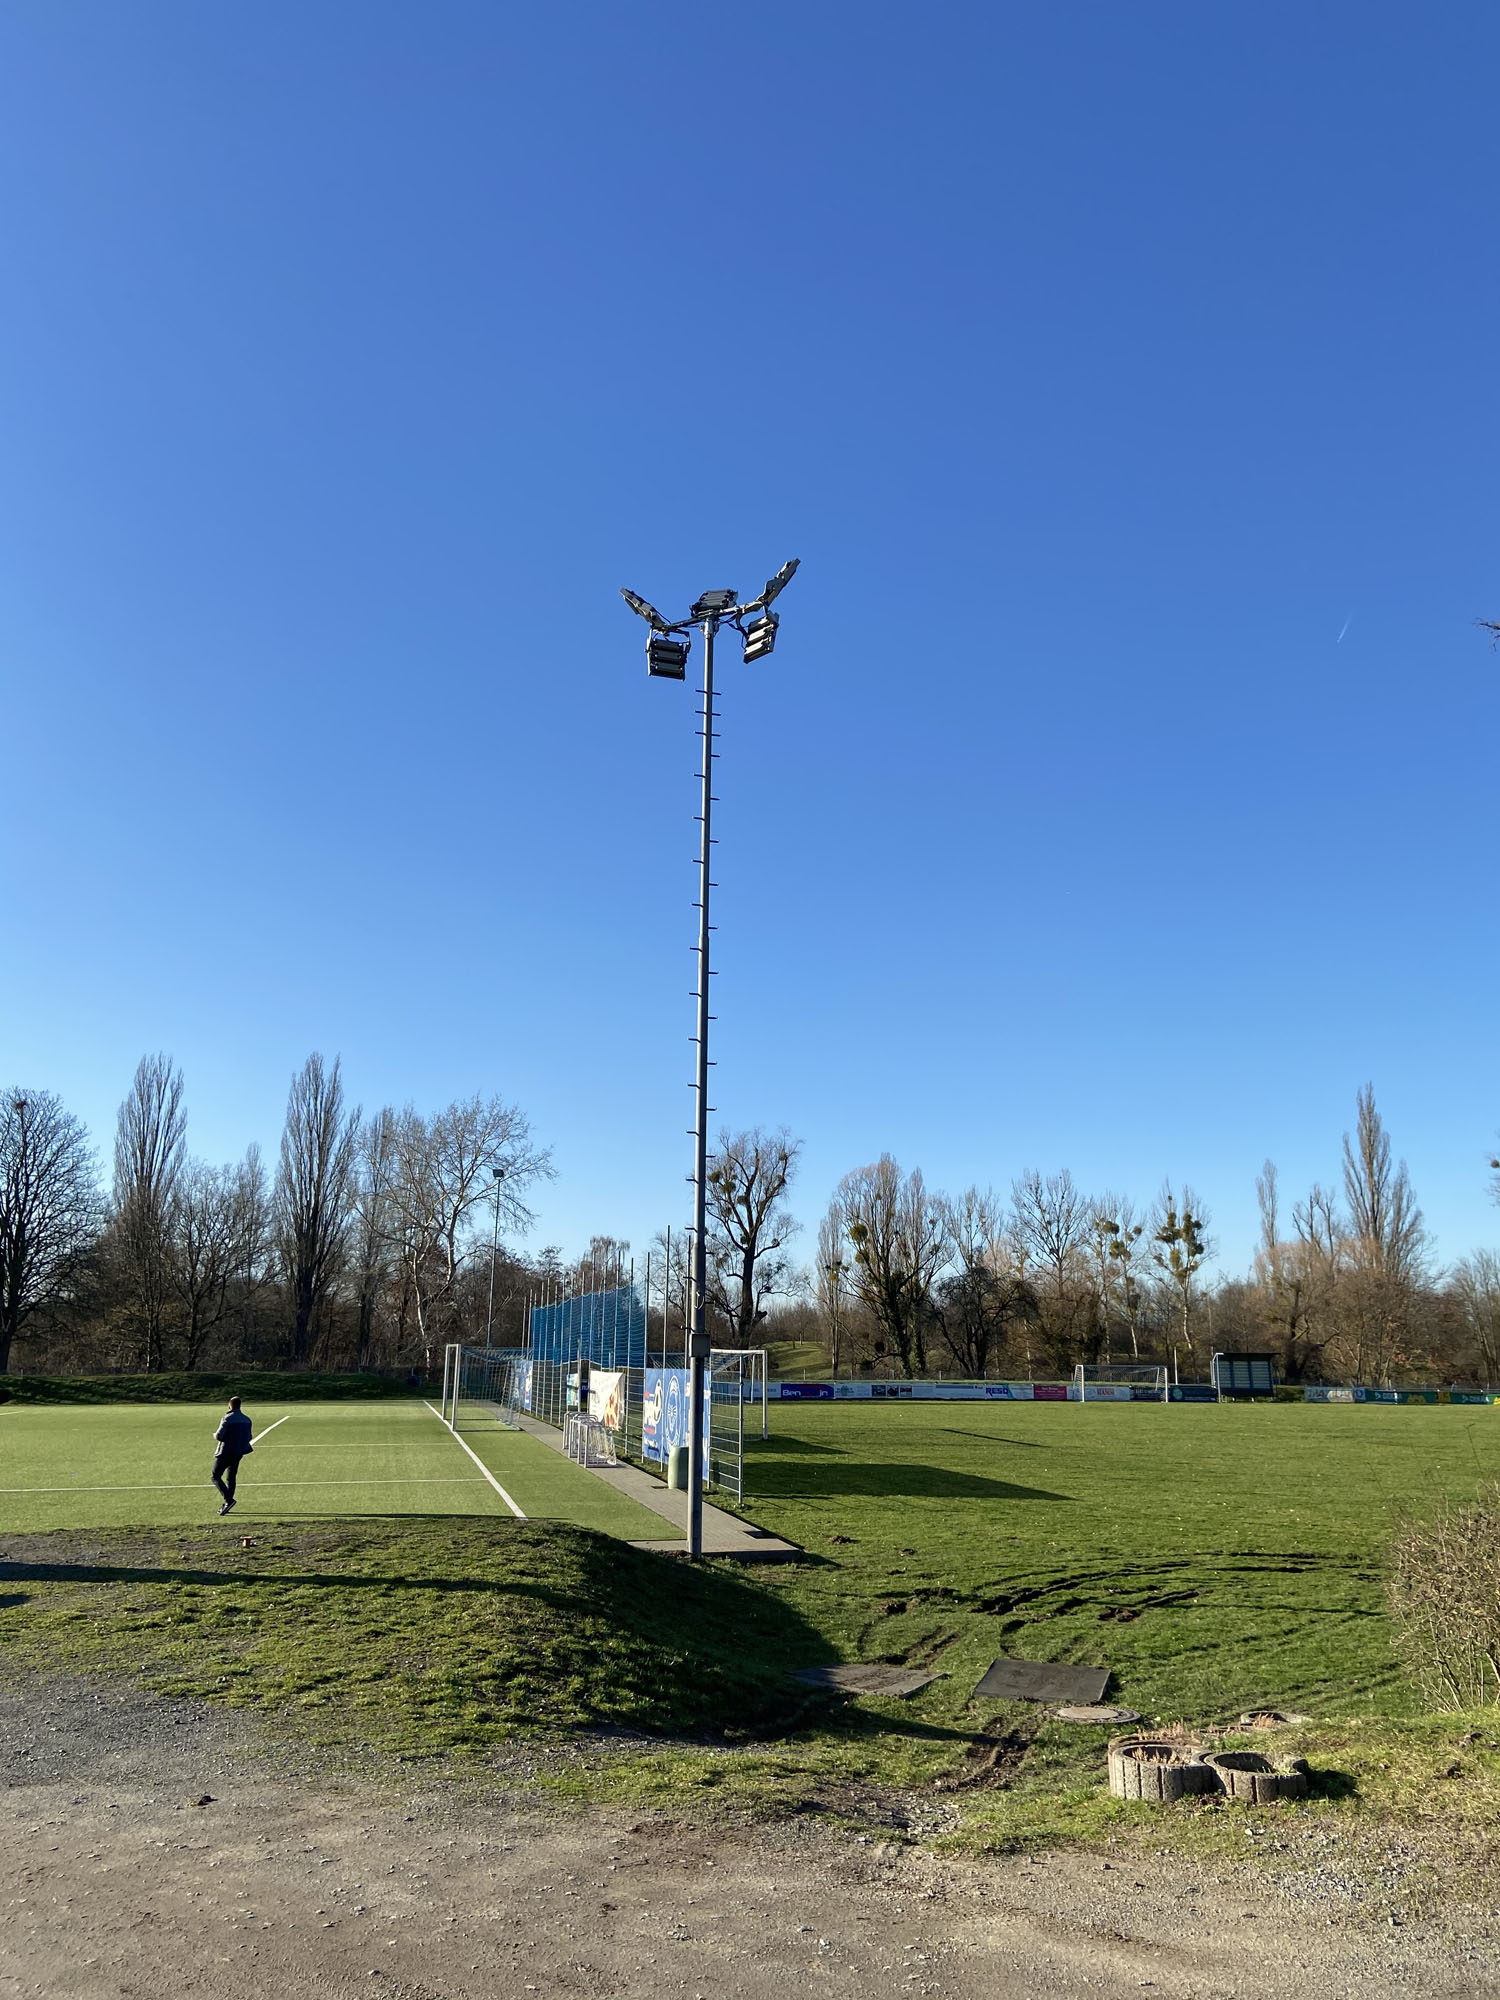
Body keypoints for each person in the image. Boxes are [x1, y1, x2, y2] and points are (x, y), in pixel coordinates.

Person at [211, 1396, 254, 1515]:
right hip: (239, 1451)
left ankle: (228, 1500)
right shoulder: (247, 1420)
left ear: (230, 1405)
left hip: (226, 1452)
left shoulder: (227, 1418)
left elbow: (219, 1436)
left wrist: (214, 1435)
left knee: (215, 1476)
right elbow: (249, 1437)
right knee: (231, 1477)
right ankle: (227, 1504)